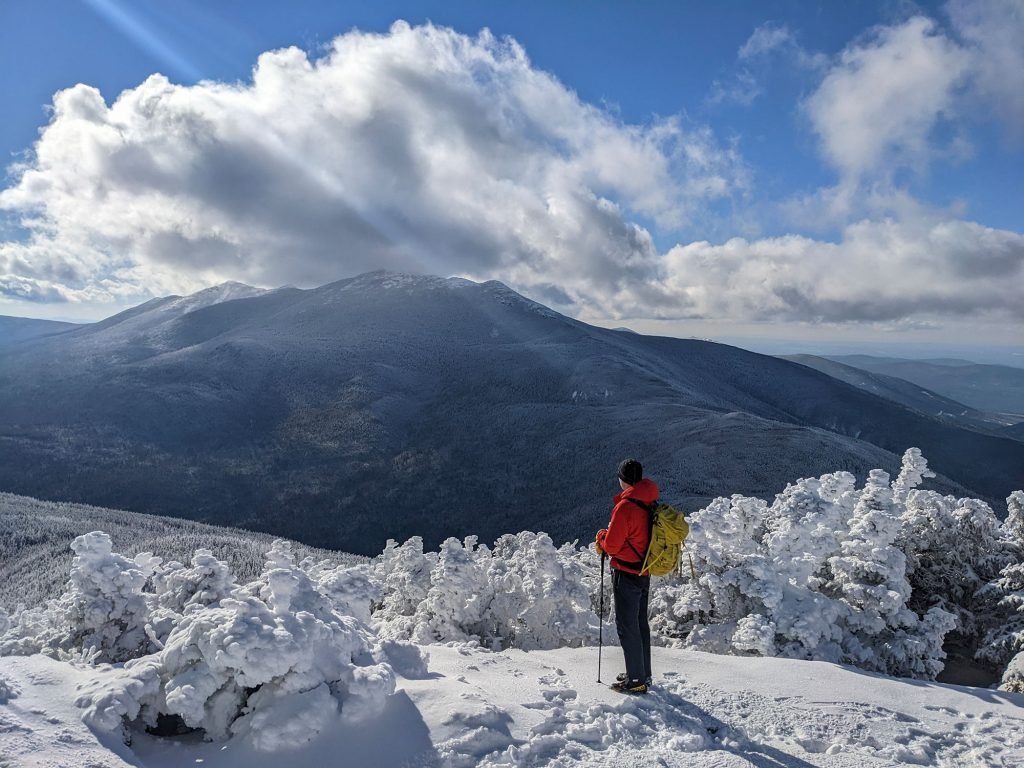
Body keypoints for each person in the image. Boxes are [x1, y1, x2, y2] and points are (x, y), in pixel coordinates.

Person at [595, 458, 656, 694]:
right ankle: (642, 673)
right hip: (644, 569)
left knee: (627, 626)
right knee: (640, 623)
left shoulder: (626, 505)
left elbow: (612, 545)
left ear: (622, 479)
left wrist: (601, 537)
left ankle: (636, 682)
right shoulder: (647, 499)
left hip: (627, 571)